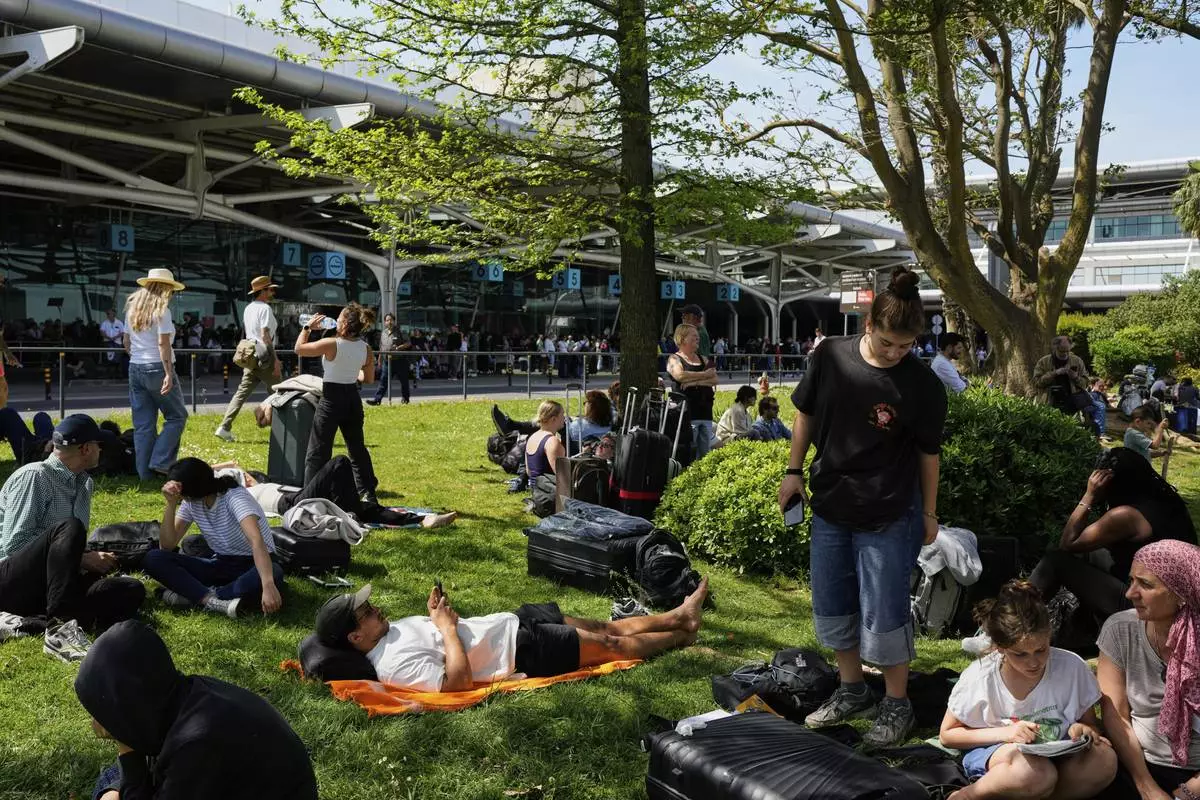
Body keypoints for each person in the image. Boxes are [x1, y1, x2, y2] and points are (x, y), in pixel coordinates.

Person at [779, 266, 948, 747]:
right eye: (888, 343)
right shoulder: (830, 355)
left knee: (884, 611)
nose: (896, 354)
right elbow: (806, 414)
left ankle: (897, 703)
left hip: (889, 511)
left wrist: (930, 515)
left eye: (906, 346)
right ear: (868, 324)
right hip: (832, 502)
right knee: (833, 605)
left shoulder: (922, 385)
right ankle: (852, 690)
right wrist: (793, 472)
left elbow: (928, 454)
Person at [315, 578, 708, 691]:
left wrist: (436, 613)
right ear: (354, 638)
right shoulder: (391, 664)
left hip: (513, 621)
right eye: (366, 613)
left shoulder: (388, 632)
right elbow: (457, 682)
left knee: (604, 626)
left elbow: (441, 634)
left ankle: (678, 614)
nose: (376, 609)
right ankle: (680, 636)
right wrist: (448, 628)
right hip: (521, 653)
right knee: (611, 646)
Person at [76, 621, 318, 800]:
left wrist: (124, 744)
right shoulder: (183, 693)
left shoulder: (196, 743)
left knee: (113, 781)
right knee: (112, 779)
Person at [940, 580, 1117, 800]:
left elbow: (1088, 722)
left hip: (1057, 752)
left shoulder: (1071, 666)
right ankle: (965, 796)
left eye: (1041, 650)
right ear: (1000, 648)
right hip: (1001, 753)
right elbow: (947, 735)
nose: (1034, 662)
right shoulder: (981, 676)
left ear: (1049, 635)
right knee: (1036, 774)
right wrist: (1006, 733)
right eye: (1020, 654)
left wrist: (1084, 729)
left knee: (1104, 760)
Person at [0, 415, 145, 660]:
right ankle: (60, 631)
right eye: (99, 444)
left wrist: (88, 560)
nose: (101, 450)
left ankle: (31, 622)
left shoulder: (84, 483)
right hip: (10, 579)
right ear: (86, 449)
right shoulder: (35, 476)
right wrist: (82, 558)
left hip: (48, 587)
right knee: (70, 527)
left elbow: (66, 552)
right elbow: (15, 544)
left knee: (130, 589)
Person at [1029, 447, 1197, 633]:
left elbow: (1068, 542)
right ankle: (1082, 627)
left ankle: (1015, 619)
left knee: (1056, 560)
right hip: (1171, 600)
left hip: (1143, 606)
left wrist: (1090, 495)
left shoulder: (1126, 516)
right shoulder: (1163, 499)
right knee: (1087, 554)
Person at [1097, 540, 1200, 799]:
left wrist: (1186, 793)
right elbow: (1116, 715)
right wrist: (1146, 786)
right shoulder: (1120, 630)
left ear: (1181, 593)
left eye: (1145, 584)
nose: (1131, 593)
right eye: (1131, 580)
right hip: (1140, 765)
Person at [143, 458, 284, 619]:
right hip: (222, 563)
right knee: (154, 558)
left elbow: (256, 541)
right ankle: (212, 599)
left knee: (273, 573)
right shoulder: (192, 502)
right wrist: (170, 504)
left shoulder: (235, 498)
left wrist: (267, 585)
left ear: (192, 490)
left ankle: (196, 597)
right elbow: (167, 546)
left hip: (256, 563)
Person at [211, 455, 458, 529]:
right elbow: (212, 473)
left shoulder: (262, 484)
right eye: (244, 476)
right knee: (339, 462)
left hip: (300, 496)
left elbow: (234, 465)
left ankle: (423, 520)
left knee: (360, 507)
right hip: (291, 504)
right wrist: (225, 468)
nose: (247, 475)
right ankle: (354, 516)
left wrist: (232, 465)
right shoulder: (240, 495)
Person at [296, 303, 378, 505]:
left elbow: (299, 349)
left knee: (318, 449)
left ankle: (311, 493)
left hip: (331, 398)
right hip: (352, 398)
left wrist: (306, 329)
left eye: (339, 318)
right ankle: (368, 492)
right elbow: (368, 378)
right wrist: (351, 372)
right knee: (357, 448)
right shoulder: (365, 348)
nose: (336, 320)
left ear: (344, 324)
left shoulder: (331, 343)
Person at [122, 268, 189, 480]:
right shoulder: (163, 312)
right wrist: (168, 372)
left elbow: (126, 342)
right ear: (165, 288)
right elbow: (163, 344)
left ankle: (145, 475)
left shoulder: (132, 309)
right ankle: (161, 461)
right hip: (157, 367)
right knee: (177, 416)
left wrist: (139, 357)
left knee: (143, 424)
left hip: (135, 367)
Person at [215, 276, 281, 442]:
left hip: (250, 354)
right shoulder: (265, 308)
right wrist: (276, 360)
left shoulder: (248, 308)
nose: (272, 292)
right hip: (264, 354)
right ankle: (280, 429)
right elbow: (265, 335)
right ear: (262, 291)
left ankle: (224, 427)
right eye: (270, 289)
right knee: (280, 392)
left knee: (241, 393)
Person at [667, 323, 718, 459]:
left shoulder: (704, 358)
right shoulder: (674, 358)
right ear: (683, 338)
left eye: (698, 336)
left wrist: (695, 382)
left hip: (705, 412)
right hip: (686, 414)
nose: (698, 338)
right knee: (688, 453)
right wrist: (704, 374)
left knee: (704, 455)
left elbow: (715, 379)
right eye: (694, 336)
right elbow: (680, 375)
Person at [1033, 336, 1090, 414]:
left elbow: (1085, 384)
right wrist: (1054, 373)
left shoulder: (1077, 361)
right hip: (1050, 402)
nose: (1065, 354)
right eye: (1062, 351)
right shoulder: (1044, 362)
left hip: (1073, 402)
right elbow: (1037, 383)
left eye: (1068, 351)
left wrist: (1076, 377)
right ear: (1055, 348)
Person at [368, 312, 411, 406]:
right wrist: (379, 359)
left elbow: (408, 343)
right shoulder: (383, 333)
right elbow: (381, 347)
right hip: (387, 361)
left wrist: (399, 348)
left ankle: (405, 399)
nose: (389, 322)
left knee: (404, 381)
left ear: (394, 321)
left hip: (399, 361)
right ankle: (377, 400)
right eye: (387, 320)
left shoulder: (400, 331)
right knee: (383, 381)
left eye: (391, 320)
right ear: (385, 322)